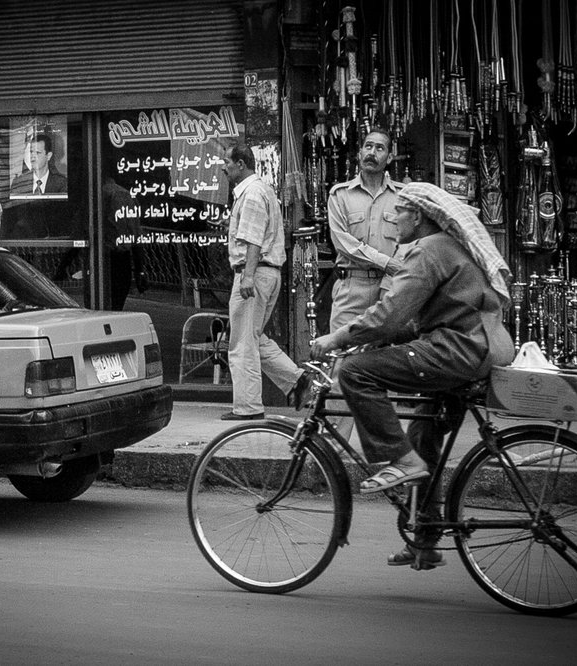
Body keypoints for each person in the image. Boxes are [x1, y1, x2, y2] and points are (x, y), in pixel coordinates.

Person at [310, 181, 515, 568]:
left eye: (398, 213)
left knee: (355, 374)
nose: (392, 219)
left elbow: (389, 315)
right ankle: (425, 539)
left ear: (417, 216)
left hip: (459, 350)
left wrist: (338, 338)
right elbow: (412, 319)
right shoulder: (444, 247)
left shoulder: (429, 249)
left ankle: (398, 462)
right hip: (478, 347)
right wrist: (372, 340)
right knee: (423, 434)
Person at [324, 127, 406, 441]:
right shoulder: (340, 194)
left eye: (380, 148)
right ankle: (333, 449)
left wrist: (390, 278)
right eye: (368, 146)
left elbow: (407, 244)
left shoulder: (402, 198)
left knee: (386, 366)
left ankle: (390, 448)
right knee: (340, 368)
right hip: (351, 289)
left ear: (389, 156)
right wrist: (385, 261)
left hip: (390, 291)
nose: (372, 153)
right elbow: (342, 242)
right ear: (360, 153)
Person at [220, 142, 307, 420]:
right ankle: (296, 379)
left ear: (241, 164)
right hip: (265, 272)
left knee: (242, 343)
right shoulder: (260, 191)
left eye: (227, 162)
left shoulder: (253, 193)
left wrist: (247, 276)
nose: (224, 167)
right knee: (253, 337)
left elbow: (255, 239)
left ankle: (247, 408)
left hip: (254, 273)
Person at [103, 175, 148, 310]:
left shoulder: (111, 194)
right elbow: (135, 234)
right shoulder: (121, 194)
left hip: (112, 259)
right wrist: (140, 270)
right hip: (117, 259)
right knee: (114, 309)